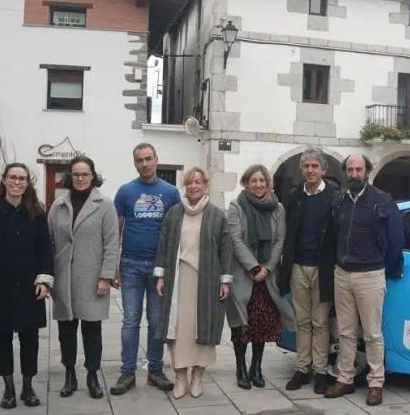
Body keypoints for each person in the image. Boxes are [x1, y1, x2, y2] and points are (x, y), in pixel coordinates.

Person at [0, 163, 54, 409]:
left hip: (29, 286)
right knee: (2, 338)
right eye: (13, 178)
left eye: (22, 179)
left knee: (30, 339)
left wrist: (44, 279)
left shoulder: (37, 213)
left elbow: (44, 250)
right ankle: (9, 389)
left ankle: (28, 387)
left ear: (28, 183)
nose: (17, 182)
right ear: (4, 180)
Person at [324, 154, 403, 406]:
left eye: (359, 169)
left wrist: (383, 269)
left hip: (370, 275)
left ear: (367, 172)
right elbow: (334, 235)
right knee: (345, 332)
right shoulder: (339, 200)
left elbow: (396, 241)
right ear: (345, 172)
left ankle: (376, 382)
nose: (354, 174)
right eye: (350, 169)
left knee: (372, 333)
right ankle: (345, 378)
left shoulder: (382, 200)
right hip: (342, 273)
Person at [153, 168, 232, 399]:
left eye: (198, 182)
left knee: (203, 328)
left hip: (206, 280)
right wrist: (161, 275)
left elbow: (225, 249)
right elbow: (164, 244)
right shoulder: (174, 214)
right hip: (179, 280)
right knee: (179, 330)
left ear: (205, 186)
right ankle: (179, 377)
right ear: (185, 186)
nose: (194, 186)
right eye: (189, 183)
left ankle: (197, 377)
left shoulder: (217, 215)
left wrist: (224, 281)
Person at [111, 143, 181, 394]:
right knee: (130, 320)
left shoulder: (171, 193)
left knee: (155, 320)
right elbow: (115, 231)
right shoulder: (125, 192)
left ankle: (155, 370)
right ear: (134, 163)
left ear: (156, 160)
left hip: (159, 268)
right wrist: (113, 267)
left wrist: (171, 267)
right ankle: (127, 372)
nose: (144, 164)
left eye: (148, 159)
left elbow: (176, 232)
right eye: (139, 160)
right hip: (130, 265)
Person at [49, 155, 119, 399]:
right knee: (66, 330)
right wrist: (49, 278)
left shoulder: (105, 205)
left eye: (85, 174)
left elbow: (112, 243)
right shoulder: (58, 205)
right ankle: (69, 374)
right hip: (64, 278)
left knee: (92, 330)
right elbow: (49, 242)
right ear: (70, 176)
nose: (80, 178)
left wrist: (106, 277)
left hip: (92, 278)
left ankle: (92, 374)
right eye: (76, 174)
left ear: (92, 175)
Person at [226, 164, 294, 389]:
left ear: (268, 183)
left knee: (262, 322)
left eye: (261, 180)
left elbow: (279, 241)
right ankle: (240, 369)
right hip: (244, 276)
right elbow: (235, 240)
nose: (258, 184)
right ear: (247, 183)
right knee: (241, 325)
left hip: (267, 277)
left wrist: (267, 267)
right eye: (253, 180)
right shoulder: (236, 206)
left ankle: (256, 368)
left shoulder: (278, 208)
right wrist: (254, 268)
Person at [280, 147, 338, 394]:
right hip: (298, 267)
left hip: (323, 268)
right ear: (302, 169)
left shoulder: (335, 196)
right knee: (302, 321)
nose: (311, 170)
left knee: (321, 322)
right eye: (307, 166)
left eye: (315, 166)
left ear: (323, 170)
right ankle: (302, 369)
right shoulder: (294, 197)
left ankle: (321, 372)